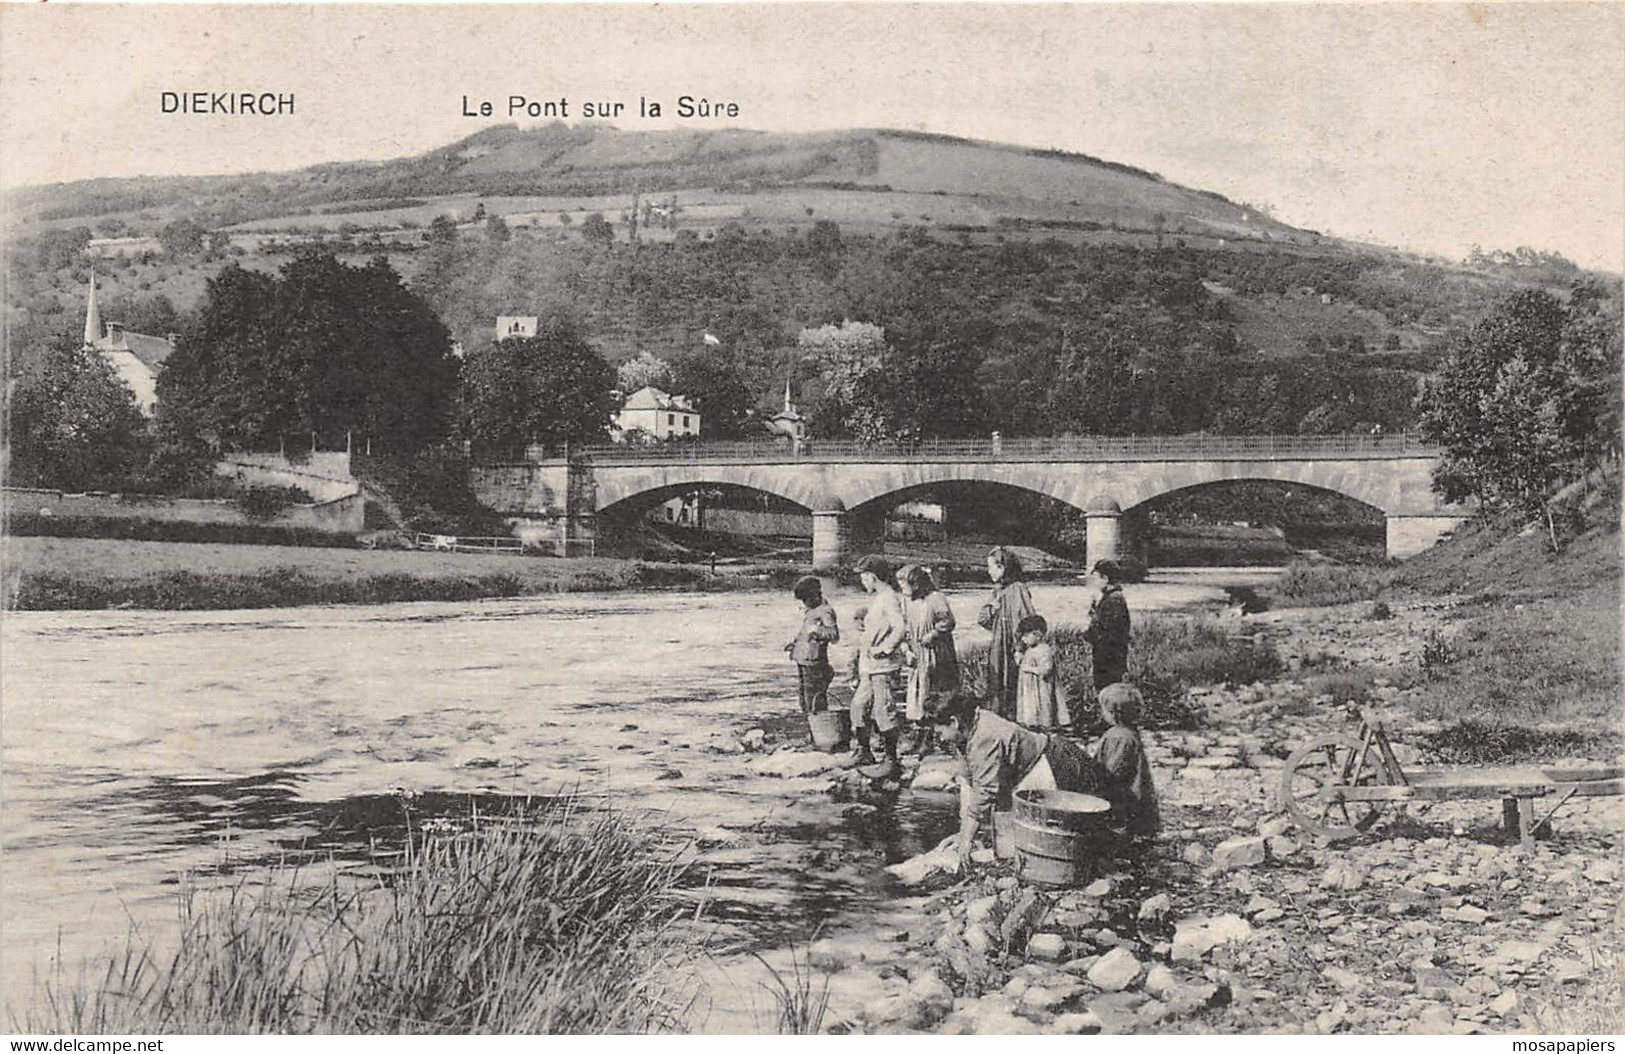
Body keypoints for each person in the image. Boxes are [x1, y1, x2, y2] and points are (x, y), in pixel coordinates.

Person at [923, 694, 1102, 870]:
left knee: (1055, 832)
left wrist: (967, 840)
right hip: (1031, 767)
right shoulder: (972, 724)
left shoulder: (985, 736)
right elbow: (972, 785)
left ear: (954, 722)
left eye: (940, 732)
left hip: (1054, 764)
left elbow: (985, 792)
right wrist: (963, 834)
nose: (941, 739)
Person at [852, 554, 908, 778]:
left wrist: (886, 648)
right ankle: (864, 751)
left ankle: (891, 760)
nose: (862, 581)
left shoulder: (889, 598)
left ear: (873, 576)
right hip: (870, 666)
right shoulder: (879, 598)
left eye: (863, 577)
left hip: (883, 666)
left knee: (883, 710)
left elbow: (900, 627)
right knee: (858, 706)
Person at [900, 564, 959, 755]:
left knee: (934, 693)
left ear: (916, 584)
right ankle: (919, 735)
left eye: (905, 583)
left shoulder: (935, 598)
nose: (902, 587)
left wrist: (933, 634)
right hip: (918, 655)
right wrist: (906, 649)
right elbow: (904, 628)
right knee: (917, 694)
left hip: (936, 654)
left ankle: (934, 738)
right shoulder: (907, 602)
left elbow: (948, 622)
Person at [1094, 683, 1161, 840]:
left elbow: (1113, 771)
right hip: (1129, 792)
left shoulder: (1119, 737)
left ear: (1113, 713)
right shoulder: (1128, 732)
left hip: (1123, 795)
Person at [977, 546, 1037, 719]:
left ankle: (1013, 717)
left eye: (991, 567)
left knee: (1013, 680)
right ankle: (999, 715)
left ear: (1002, 568)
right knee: (997, 682)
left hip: (1013, 645)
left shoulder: (1018, 589)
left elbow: (1026, 621)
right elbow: (982, 620)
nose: (989, 572)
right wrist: (991, 608)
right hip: (998, 644)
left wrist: (1020, 647)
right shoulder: (997, 591)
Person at [784, 575, 839, 714]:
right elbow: (804, 632)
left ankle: (819, 726)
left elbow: (834, 636)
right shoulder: (811, 610)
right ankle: (810, 723)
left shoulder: (825, 611)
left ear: (814, 596)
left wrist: (818, 631)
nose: (803, 603)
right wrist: (794, 643)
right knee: (804, 696)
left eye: (805, 600)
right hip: (803, 659)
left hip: (815, 661)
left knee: (814, 698)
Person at [1082, 559, 1131, 690]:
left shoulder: (1113, 600)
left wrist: (1088, 633)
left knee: (1107, 692)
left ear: (1105, 578)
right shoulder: (1113, 598)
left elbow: (1106, 631)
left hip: (1108, 659)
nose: (1095, 583)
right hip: (1111, 657)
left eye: (1096, 578)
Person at [1014, 614, 1068, 730]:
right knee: (1030, 707)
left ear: (1037, 635)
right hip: (1029, 688)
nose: (1023, 639)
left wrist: (1029, 669)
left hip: (1041, 687)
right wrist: (1019, 658)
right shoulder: (1029, 650)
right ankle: (1032, 725)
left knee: (1043, 706)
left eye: (1026, 636)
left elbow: (1046, 669)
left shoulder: (1044, 650)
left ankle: (1044, 727)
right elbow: (1024, 663)